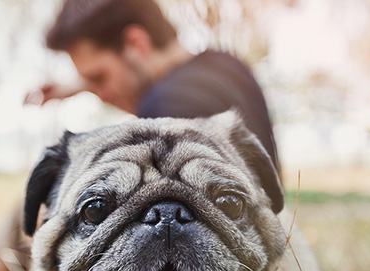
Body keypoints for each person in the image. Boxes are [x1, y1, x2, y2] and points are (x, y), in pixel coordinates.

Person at [32, 0, 283, 181]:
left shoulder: (163, 107)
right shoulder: (228, 65)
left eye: (99, 77)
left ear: (135, 43)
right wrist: (84, 83)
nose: (102, 95)